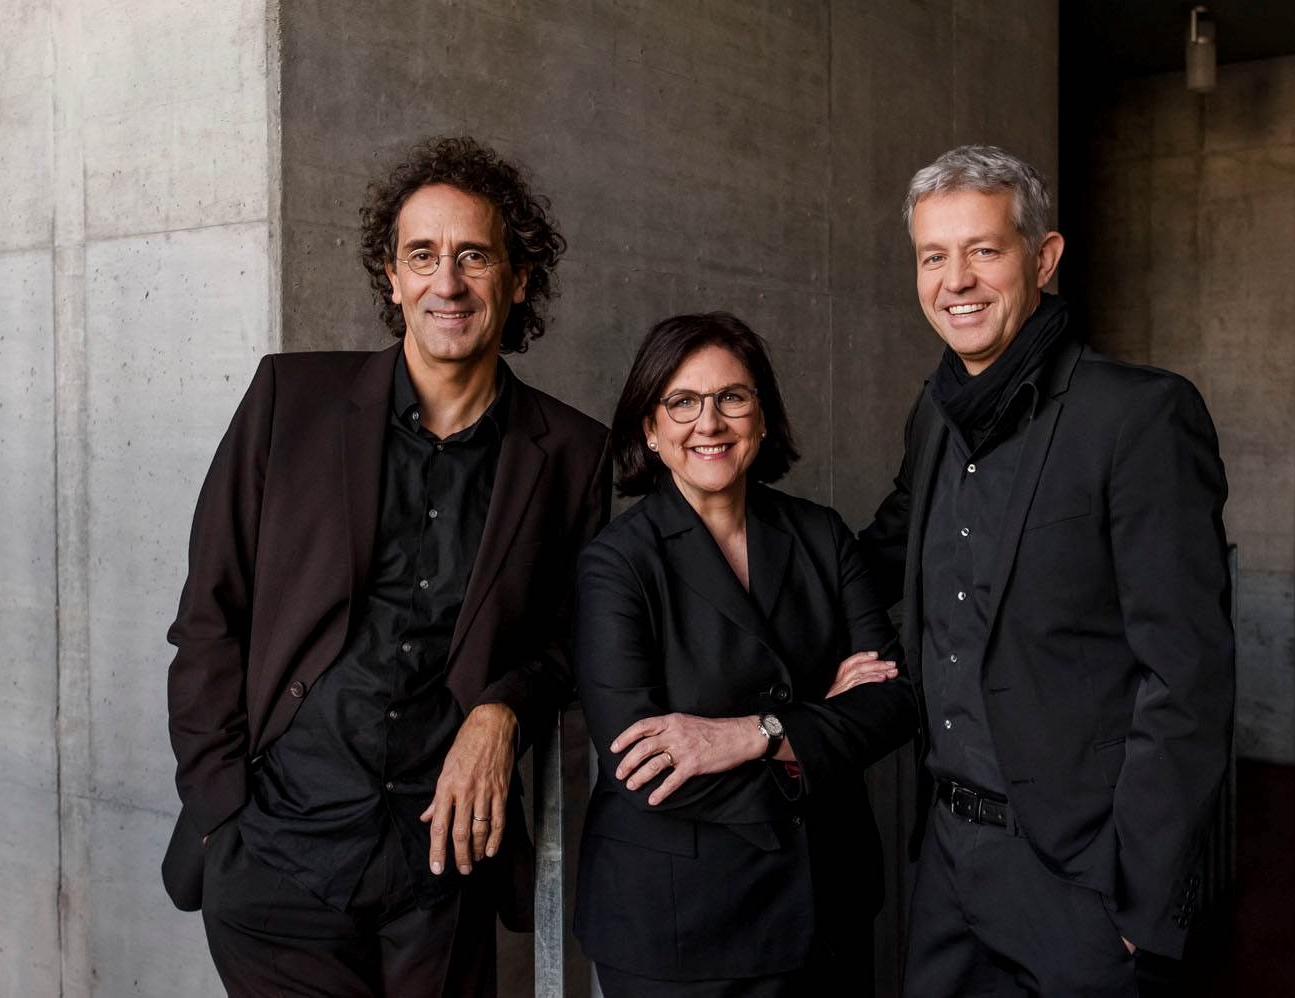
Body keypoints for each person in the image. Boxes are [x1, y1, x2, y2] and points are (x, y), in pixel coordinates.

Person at [162, 135, 610, 997]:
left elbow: (573, 639)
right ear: (393, 276)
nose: (448, 282)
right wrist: (222, 813)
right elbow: (211, 613)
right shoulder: (289, 401)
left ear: (518, 279)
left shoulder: (571, 453)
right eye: (423, 256)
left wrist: (502, 710)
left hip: (442, 869)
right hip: (275, 852)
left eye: (474, 255)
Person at [859, 145, 1234, 996]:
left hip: (1080, 877)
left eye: (983, 250)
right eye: (933, 257)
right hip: (947, 859)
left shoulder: (1138, 415)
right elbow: (884, 550)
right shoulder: (935, 412)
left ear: (1044, 257)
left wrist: (1138, 899)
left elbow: (1188, 676)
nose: (956, 280)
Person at [572, 312, 917, 997]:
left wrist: (753, 734)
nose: (710, 422)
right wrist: (819, 728)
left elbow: (895, 701)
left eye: (732, 397)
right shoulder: (616, 565)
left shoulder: (821, 536)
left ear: (762, 416)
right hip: (682, 926)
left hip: (828, 907)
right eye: (682, 401)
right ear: (650, 428)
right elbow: (644, 767)